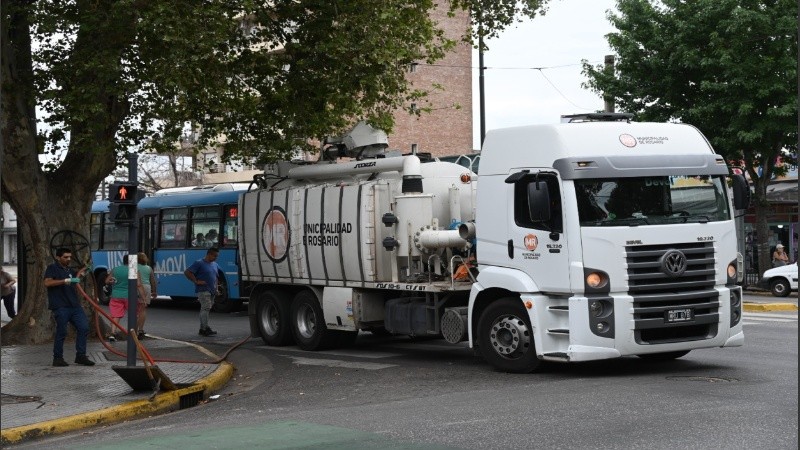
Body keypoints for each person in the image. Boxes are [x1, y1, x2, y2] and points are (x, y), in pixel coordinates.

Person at [44, 248, 95, 367]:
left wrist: (82, 274)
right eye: (65, 257)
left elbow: (75, 280)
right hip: (60, 306)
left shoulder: (70, 270)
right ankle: (57, 358)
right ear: (58, 257)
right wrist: (65, 280)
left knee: (84, 328)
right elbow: (47, 283)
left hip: (75, 306)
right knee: (62, 331)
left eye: (69, 257)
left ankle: (81, 356)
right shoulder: (52, 268)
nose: (68, 259)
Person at [106, 255, 146, 341]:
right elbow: (138, 285)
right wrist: (143, 297)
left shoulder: (115, 269)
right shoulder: (133, 270)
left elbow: (107, 281)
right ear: (131, 261)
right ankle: (133, 334)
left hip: (116, 296)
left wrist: (112, 282)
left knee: (115, 315)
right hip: (130, 296)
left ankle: (113, 333)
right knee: (133, 315)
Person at [184, 247, 220, 336]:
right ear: (209, 254)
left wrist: (216, 289)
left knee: (207, 308)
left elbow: (216, 277)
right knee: (206, 307)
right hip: (203, 289)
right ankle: (205, 328)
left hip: (212, 290)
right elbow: (187, 272)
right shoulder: (199, 263)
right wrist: (196, 281)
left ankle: (203, 328)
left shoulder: (215, 264)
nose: (216, 258)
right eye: (214, 256)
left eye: (217, 256)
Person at [136, 252, 157, 339]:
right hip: (147, 287)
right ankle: (140, 330)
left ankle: (134, 329)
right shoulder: (149, 268)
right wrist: (154, 291)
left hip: (137, 287)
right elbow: (153, 281)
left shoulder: (134, 267)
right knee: (143, 310)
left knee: (136, 310)